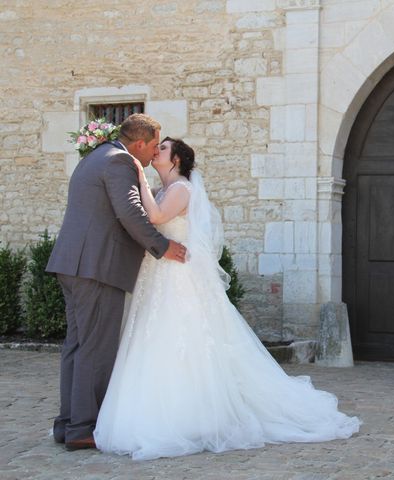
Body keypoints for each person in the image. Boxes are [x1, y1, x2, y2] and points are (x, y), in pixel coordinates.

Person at [94, 138, 360, 460]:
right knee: (154, 338)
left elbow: (156, 217)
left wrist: (137, 175)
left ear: (176, 159)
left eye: (162, 149)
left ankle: (193, 418)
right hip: (159, 275)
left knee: (179, 338)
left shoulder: (180, 189)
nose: (156, 153)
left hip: (178, 278)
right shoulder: (165, 188)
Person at [46, 114, 188, 451]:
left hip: (74, 264)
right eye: (153, 146)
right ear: (139, 143)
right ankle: (84, 427)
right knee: (96, 348)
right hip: (97, 266)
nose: (153, 153)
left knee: (78, 346)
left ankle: (68, 423)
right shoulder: (121, 162)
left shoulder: (96, 157)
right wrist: (162, 245)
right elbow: (129, 211)